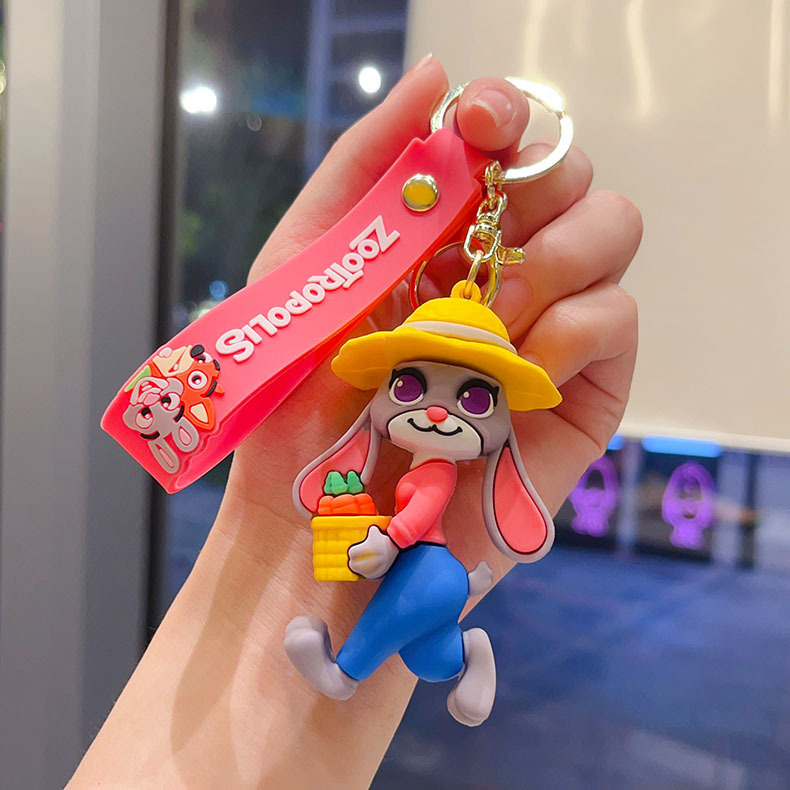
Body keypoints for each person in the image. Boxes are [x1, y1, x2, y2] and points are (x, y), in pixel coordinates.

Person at [68, 56, 642, 788]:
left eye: (473, 402)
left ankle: (345, 669)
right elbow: (414, 509)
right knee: (428, 648)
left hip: (425, 566)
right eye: (410, 385)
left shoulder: (436, 476)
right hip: (427, 568)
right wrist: (290, 542)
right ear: (378, 401)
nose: (434, 411)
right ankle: (460, 659)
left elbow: (424, 508)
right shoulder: (403, 456)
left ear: (500, 429)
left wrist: (387, 539)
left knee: (392, 629)